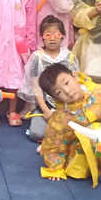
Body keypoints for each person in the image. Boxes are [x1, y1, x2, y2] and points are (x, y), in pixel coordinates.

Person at [36, 63, 101, 183]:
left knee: (99, 134)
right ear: (55, 98)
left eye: (66, 83)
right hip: (77, 147)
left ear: (75, 76)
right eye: (59, 92)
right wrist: (55, 168)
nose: (67, 91)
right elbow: (54, 143)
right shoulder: (61, 117)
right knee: (78, 151)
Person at [18, 15, 79, 143]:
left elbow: (76, 83)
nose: (52, 38)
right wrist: (46, 111)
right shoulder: (37, 57)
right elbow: (36, 87)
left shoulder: (70, 57)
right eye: (48, 35)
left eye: (56, 34)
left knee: (75, 132)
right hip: (46, 104)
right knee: (37, 134)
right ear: (42, 37)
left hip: (68, 104)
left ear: (63, 36)